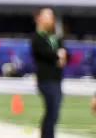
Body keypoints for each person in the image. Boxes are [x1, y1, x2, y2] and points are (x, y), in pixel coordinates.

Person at [31, 7, 66, 138]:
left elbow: (66, 52)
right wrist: (58, 56)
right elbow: (43, 53)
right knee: (51, 109)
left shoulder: (55, 37)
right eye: (47, 16)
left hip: (57, 78)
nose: (50, 19)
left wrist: (62, 55)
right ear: (39, 18)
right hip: (46, 78)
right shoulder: (37, 37)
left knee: (55, 111)